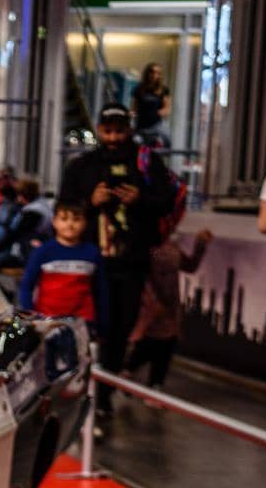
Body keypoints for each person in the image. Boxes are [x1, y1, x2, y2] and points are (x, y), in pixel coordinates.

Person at [57, 102, 176, 417]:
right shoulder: (82, 167)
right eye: (108, 131)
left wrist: (141, 200)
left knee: (121, 328)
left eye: (119, 131)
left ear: (129, 130)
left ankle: (104, 396)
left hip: (132, 261)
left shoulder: (147, 163)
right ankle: (76, 389)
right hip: (88, 262)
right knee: (86, 325)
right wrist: (89, 202)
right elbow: (63, 208)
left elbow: (167, 202)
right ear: (99, 129)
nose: (113, 137)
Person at [126, 227, 211, 388]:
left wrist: (200, 244)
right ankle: (130, 371)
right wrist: (153, 302)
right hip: (150, 309)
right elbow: (140, 276)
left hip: (170, 308)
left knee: (165, 345)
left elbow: (190, 266)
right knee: (148, 343)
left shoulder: (172, 247)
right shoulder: (143, 247)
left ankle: (154, 384)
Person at [17, 200, 106, 334]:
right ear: (54, 222)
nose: (70, 225)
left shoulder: (92, 252)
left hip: (83, 321)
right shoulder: (43, 251)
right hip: (47, 319)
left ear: (85, 223)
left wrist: (102, 325)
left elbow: (101, 290)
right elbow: (26, 285)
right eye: (64, 219)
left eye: (76, 220)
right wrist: (31, 317)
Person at [0, 176, 52, 272]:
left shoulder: (33, 212)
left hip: (24, 252)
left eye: (19, 195)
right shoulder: (41, 204)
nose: (18, 199)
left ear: (25, 195)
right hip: (22, 249)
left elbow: (17, 233)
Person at [131, 63, 171, 147]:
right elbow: (133, 108)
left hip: (156, 125)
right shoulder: (139, 89)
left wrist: (157, 113)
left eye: (158, 73)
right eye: (152, 72)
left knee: (162, 142)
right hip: (141, 125)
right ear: (147, 73)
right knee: (137, 143)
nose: (154, 75)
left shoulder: (163, 90)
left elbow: (167, 109)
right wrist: (132, 115)